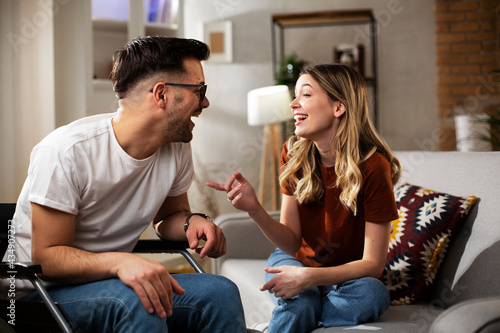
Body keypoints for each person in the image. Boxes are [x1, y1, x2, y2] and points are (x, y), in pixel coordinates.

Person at [2, 36, 247, 333]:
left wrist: (192, 222)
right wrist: (120, 263)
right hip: (36, 290)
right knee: (139, 302)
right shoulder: (67, 152)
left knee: (220, 292)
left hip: (110, 282)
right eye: (200, 91)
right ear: (161, 95)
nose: (205, 102)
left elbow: (168, 218)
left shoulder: (176, 147)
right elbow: (49, 257)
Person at [207, 63, 401, 332]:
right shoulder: (294, 152)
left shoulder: (373, 166)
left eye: (306, 95)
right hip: (295, 260)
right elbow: (290, 241)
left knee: (373, 295)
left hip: (350, 277)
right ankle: (308, 307)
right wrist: (255, 210)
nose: (293, 104)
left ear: (338, 107)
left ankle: (302, 311)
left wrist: (309, 278)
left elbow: (372, 263)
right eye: (295, 95)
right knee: (301, 301)